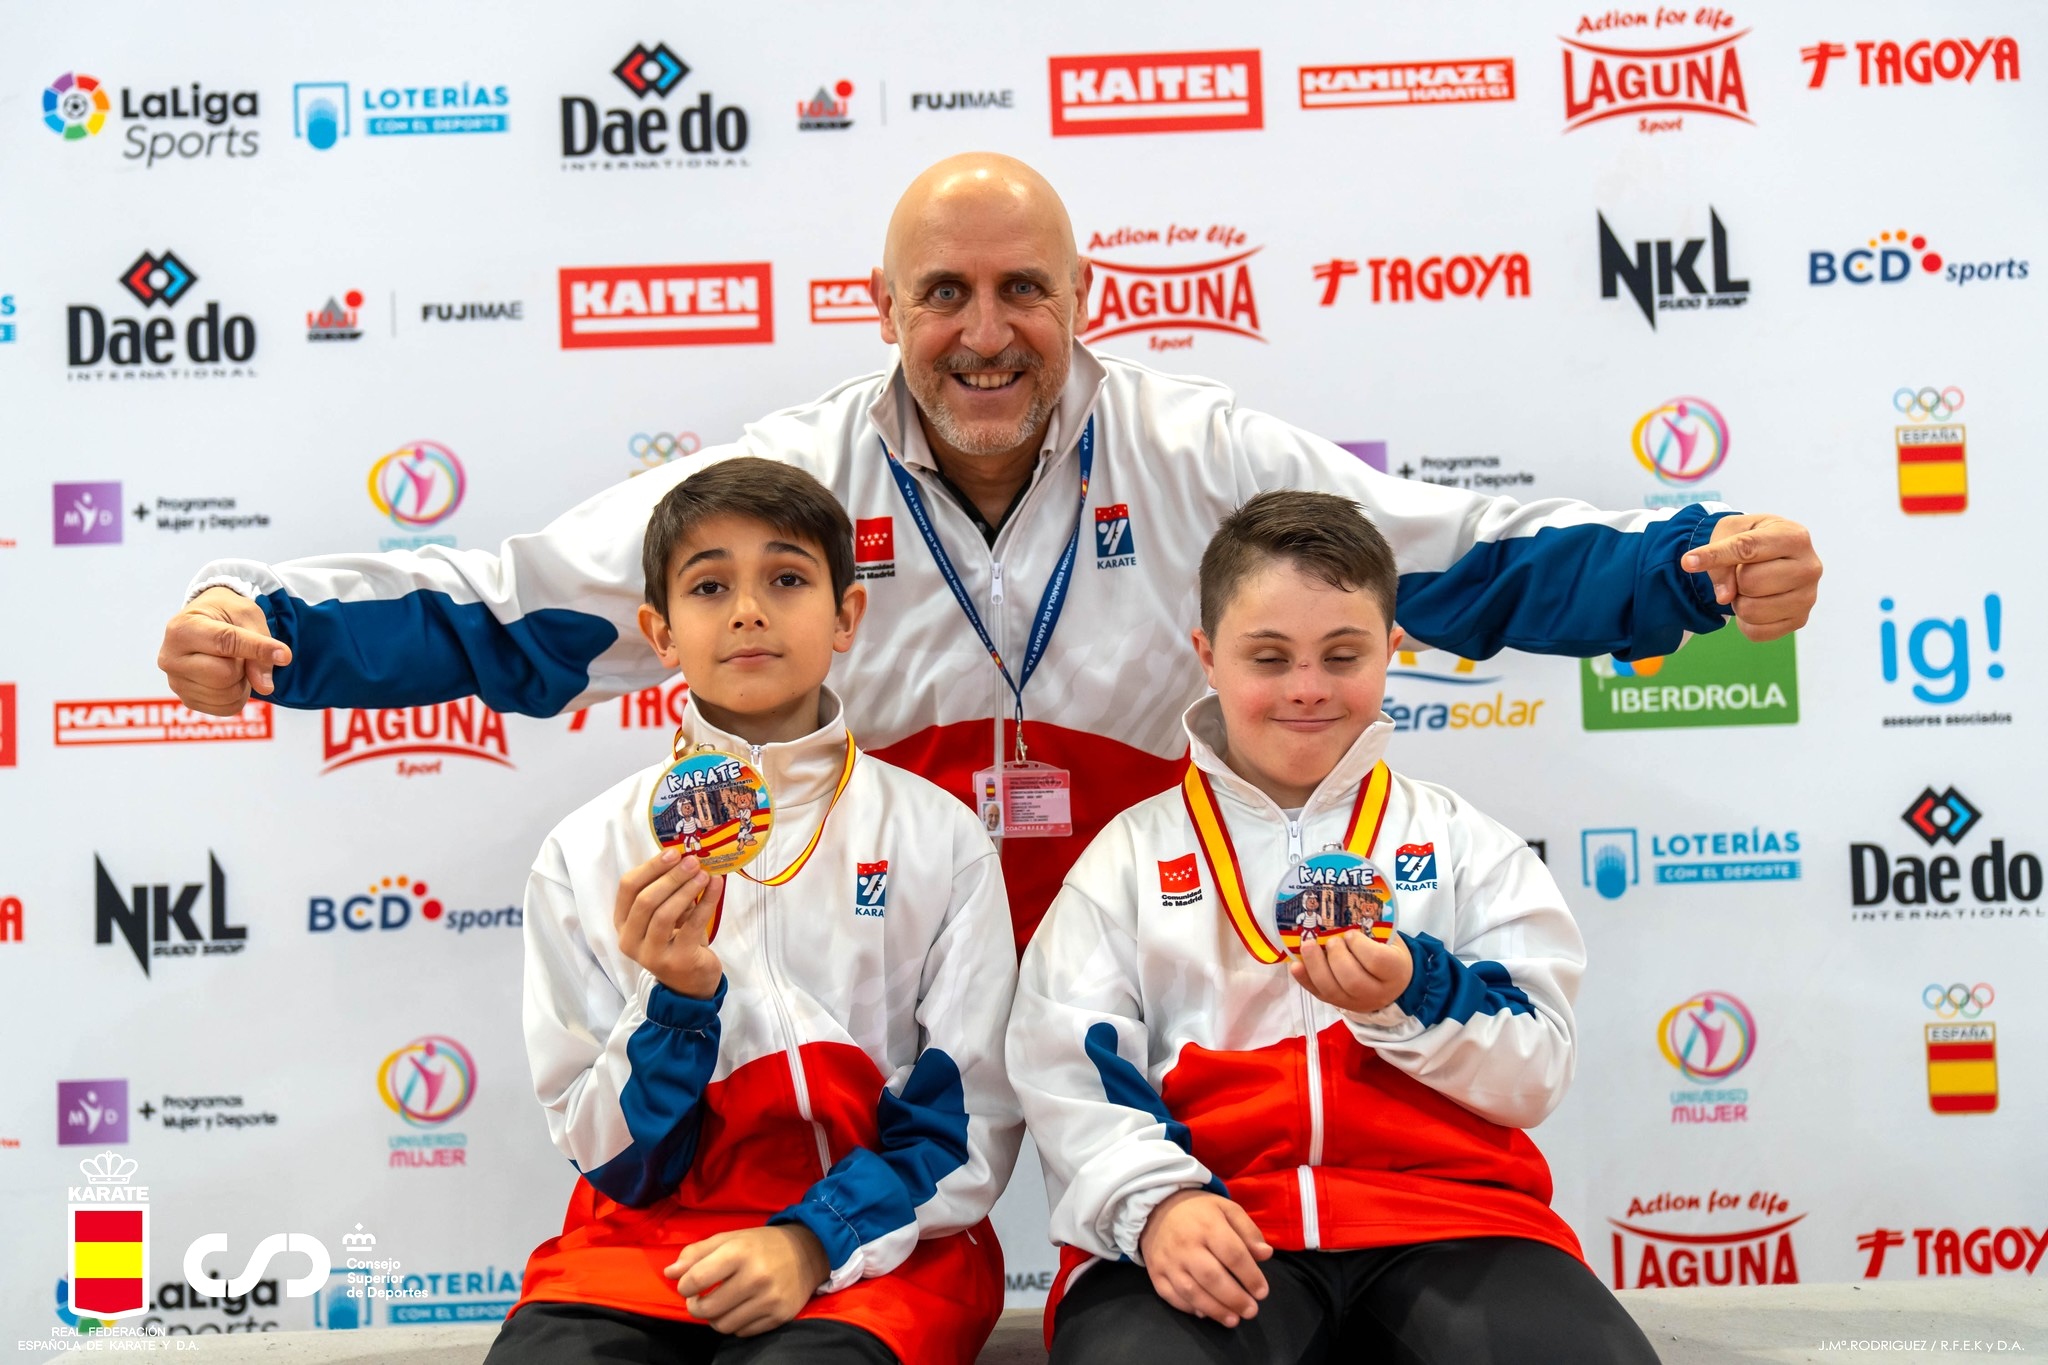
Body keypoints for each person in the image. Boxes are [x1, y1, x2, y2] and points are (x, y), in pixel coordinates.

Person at [156, 151, 1822, 950]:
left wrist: (1686, 569)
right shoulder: (784, 478)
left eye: (1020, 288)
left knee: (1211, 1279)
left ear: (1081, 300)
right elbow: (523, 613)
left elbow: (1448, 566)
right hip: (880, 925)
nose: (982, 331)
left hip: (1150, 923)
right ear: (882, 311)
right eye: (942, 294)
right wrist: (271, 626)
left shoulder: (1192, 450)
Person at [1007, 490, 1657, 1364]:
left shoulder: (1464, 844)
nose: (1306, 688)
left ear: (1393, 650)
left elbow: (1535, 1070)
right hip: (1219, 1217)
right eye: (1268, 657)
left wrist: (1412, 996)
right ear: (1206, 656)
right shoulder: (1127, 858)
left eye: (1341, 654)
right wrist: (1155, 1203)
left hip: (1455, 1220)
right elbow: (1067, 1070)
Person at [491, 458, 1020, 1365]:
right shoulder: (586, 851)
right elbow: (609, 1159)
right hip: (644, 1248)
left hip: (886, 1251)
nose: (747, 610)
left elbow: (968, 1123)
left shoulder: (940, 837)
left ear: (847, 616)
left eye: (785, 577)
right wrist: (678, 1002)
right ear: (659, 631)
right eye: (708, 586)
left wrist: (810, 1239)